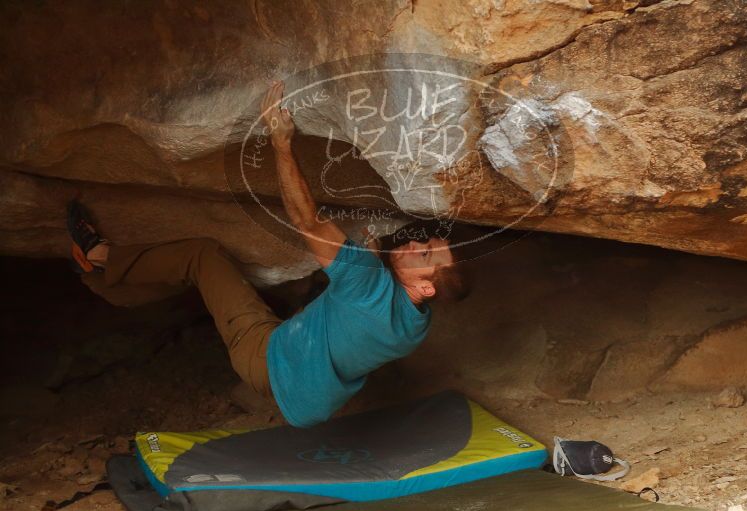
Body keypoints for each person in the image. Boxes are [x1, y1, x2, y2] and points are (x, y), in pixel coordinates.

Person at [67, 81, 468, 428]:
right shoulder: (417, 326)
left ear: (425, 287)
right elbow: (371, 301)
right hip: (308, 404)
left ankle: (102, 257)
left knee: (202, 256)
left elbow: (305, 220)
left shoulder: (366, 282)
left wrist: (280, 142)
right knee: (317, 308)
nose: (416, 243)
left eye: (425, 253)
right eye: (426, 242)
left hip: (264, 359)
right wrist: (373, 251)